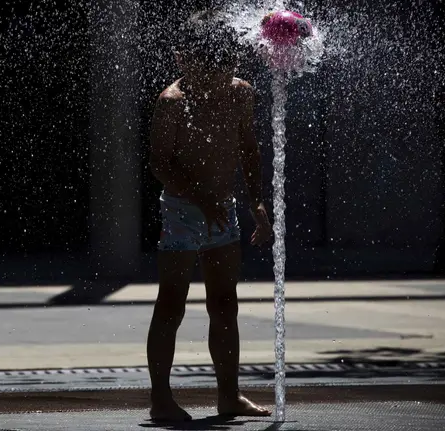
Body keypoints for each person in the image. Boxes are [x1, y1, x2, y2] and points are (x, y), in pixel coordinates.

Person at [145, 9, 273, 422]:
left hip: (224, 208)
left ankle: (229, 395)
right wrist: (201, 197)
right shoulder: (171, 103)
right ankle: (161, 399)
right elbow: (161, 164)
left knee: (225, 302)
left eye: (224, 69)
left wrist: (257, 203)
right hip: (184, 209)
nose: (217, 80)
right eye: (207, 70)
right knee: (171, 303)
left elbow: (249, 150)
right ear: (185, 60)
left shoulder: (240, 93)